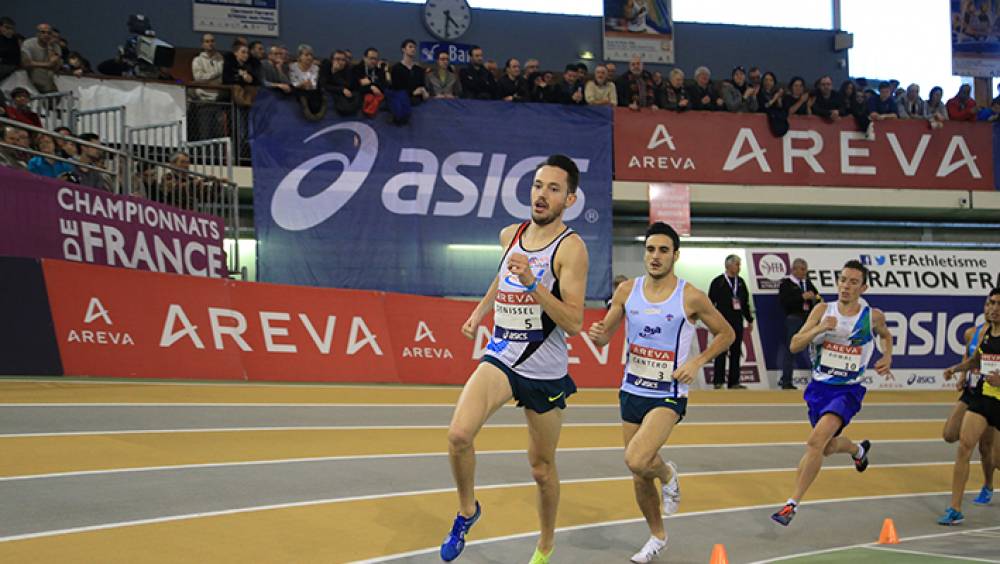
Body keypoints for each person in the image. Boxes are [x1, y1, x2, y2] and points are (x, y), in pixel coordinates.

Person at [441, 155, 589, 564]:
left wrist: (533, 283)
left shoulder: (571, 249)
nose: (542, 194)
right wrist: (479, 311)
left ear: (570, 199)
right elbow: (501, 274)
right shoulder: (511, 234)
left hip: (545, 368)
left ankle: (544, 545)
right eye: (538, 185)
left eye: (554, 189)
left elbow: (574, 322)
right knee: (458, 435)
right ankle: (468, 511)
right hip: (503, 353)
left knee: (542, 469)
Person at [588, 222, 735, 563]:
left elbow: (726, 334)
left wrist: (697, 361)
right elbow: (605, 334)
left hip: (668, 392)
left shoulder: (691, 296)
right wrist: (598, 334)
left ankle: (668, 473)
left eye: (663, 250)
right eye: (651, 249)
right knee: (638, 474)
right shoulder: (627, 290)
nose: (655, 257)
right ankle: (657, 536)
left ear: (675, 255)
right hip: (631, 388)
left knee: (637, 458)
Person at [771, 260, 893, 526]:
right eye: (842, 280)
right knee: (825, 447)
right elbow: (794, 345)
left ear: (864, 287)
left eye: (852, 282)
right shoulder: (822, 310)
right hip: (819, 388)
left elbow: (886, 335)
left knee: (814, 443)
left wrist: (887, 356)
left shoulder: (872, 316)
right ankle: (857, 450)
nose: (846, 286)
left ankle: (791, 504)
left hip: (848, 391)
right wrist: (819, 328)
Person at [939, 288, 1000, 525]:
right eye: (991, 303)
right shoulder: (984, 331)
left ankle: (988, 482)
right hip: (982, 397)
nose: (994, 308)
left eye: (998, 304)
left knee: (996, 460)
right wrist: (956, 369)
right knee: (964, 446)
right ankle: (955, 508)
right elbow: (977, 359)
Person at [708, 255, 753, 389]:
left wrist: (749, 320)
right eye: (737, 264)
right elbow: (710, 303)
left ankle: (734, 382)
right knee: (720, 350)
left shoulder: (740, 282)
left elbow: (744, 303)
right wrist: (711, 321)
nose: (739, 267)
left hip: (737, 321)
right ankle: (718, 381)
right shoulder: (718, 281)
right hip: (721, 321)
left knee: (736, 350)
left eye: (739, 265)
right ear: (728, 265)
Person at [778, 259, 821, 390]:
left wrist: (814, 298)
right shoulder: (786, 284)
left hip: (808, 318)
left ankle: (820, 379)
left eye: (805, 269)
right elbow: (784, 302)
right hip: (794, 318)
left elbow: (817, 296)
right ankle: (786, 380)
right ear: (794, 269)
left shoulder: (807, 283)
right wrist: (801, 297)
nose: (804, 272)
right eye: (802, 269)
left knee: (815, 347)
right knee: (791, 349)